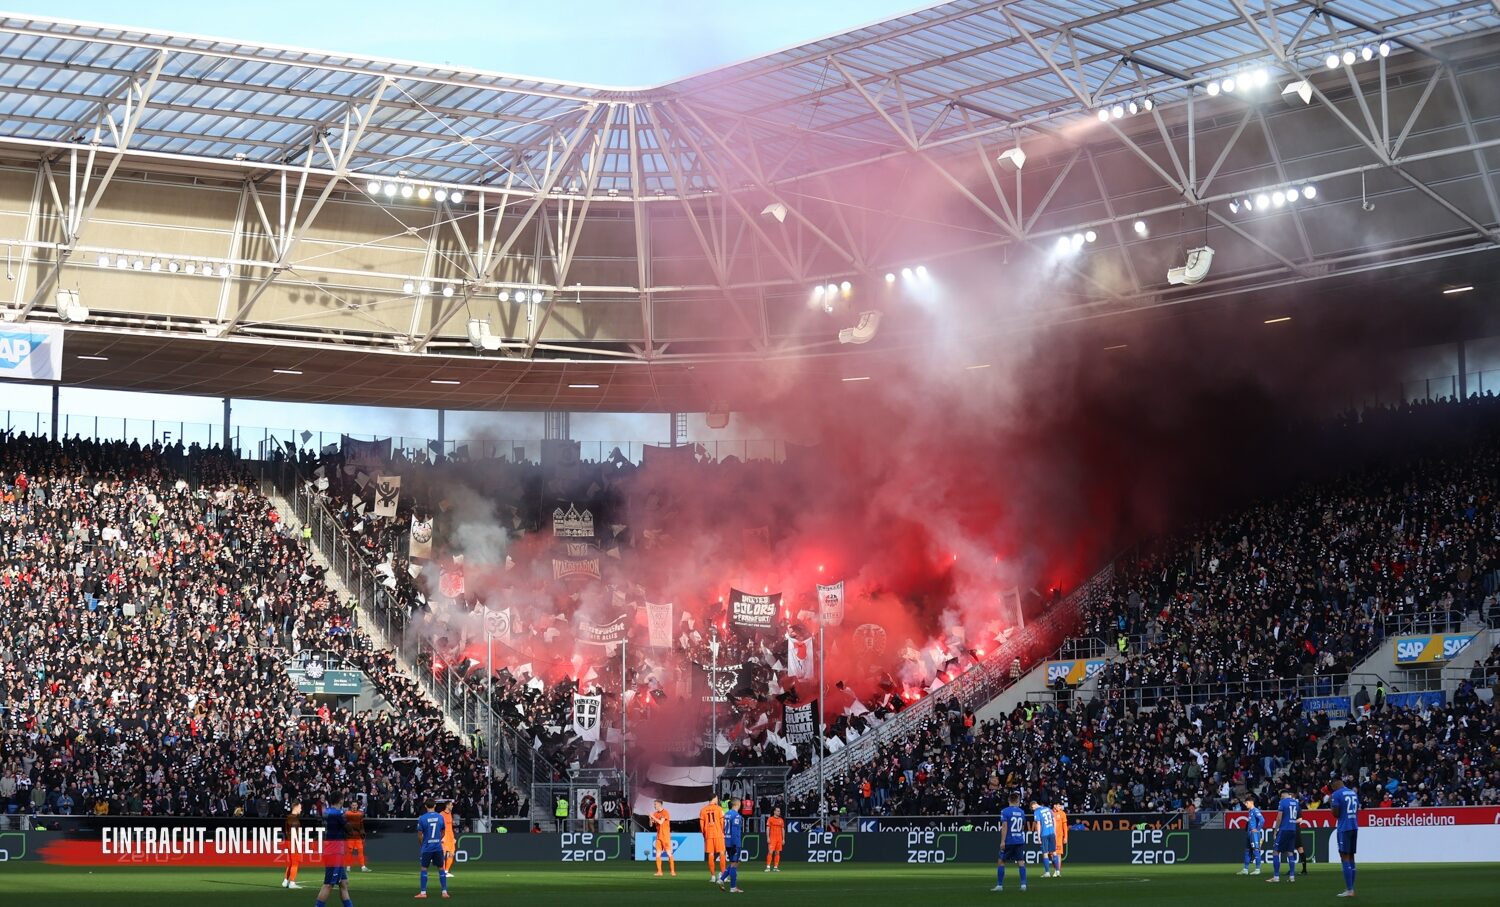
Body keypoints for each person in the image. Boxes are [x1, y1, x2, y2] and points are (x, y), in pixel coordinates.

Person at [314, 793, 353, 907]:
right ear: (340, 800)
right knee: (328, 884)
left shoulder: (327, 812)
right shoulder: (339, 813)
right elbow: (349, 829)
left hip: (331, 850)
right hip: (335, 852)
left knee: (343, 883)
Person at [1329, 778, 1359, 898]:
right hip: (1354, 826)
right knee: (1351, 857)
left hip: (1344, 828)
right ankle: (1351, 887)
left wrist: (1332, 807)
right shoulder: (1353, 793)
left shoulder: (1336, 794)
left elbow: (1336, 814)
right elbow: (1357, 809)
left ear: (1335, 785)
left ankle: (1349, 889)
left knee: (1344, 857)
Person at [415, 799, 449, 899]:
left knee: (424, 868)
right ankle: (444, 892)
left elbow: (419, 835)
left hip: (427, 847)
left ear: (425, 806)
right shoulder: (440, 817)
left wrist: (423, 844)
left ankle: (423, 892)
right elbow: (443, 831)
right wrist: (438, 839)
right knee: (441, 868)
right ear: (435, 805)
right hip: (437, 846)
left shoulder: (422, 818)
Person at [993, 793, 1028, 892]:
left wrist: (1002, 841)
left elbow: (1004, 826)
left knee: (1001, 861)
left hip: (1009, 840)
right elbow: (1022, 827)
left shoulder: (1005, 811)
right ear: (1017, 801)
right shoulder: (1022, 812)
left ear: (1009, 800)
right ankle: (1023, 885)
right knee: (1021, 861)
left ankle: (1000, 885)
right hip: (1019, 840)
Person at [1268, 790, 1299, 883]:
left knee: (1276, 851)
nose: (1280, 798)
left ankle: (1276, 877)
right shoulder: (1296, 803)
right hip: (1293, 829)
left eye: (1281, 796)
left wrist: (1275, 830)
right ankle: (1292, 876)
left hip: (1284, 829)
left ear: (1283, 795)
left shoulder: (1282, 802)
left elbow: (1279, 817)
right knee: (1290, 852)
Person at [717, 797, 744, 893]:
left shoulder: (726, 814)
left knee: (736, 862)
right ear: (737, 804)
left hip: (727, 841)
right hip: (734, 842)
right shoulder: (736, 816)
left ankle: (721, 879)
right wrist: (737, 843)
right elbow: (735, 831)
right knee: (734, 864)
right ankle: (733, 887)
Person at [699, 797, 726, 882]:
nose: (717, 800)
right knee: (722, 853)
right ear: (714, 799)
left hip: (709, 834)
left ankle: (713, 876)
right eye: (716, 798)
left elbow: (701, 824)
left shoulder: (703, 810)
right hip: (718, 833)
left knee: (711, 854)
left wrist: (704, 834)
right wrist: (722, 831)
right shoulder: (719, 809)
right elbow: (722, 822)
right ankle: (723, 876)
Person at [1030, 798, 1057, 879]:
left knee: (1045, 853)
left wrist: (1038, 836)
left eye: (1032, 808)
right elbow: (1054, 820)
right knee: (1054, 852)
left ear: (1033, 805)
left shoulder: (1037, 811)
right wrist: (1054, 830)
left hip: (1044, 834)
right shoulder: (1048, 808)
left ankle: (1047, 872)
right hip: (1051, 832)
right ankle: (1057, 871)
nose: (1032, 809)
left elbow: (1038, 824)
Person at [1238, 797, 1264, 875]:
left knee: (1256, 850)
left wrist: (1257, 829)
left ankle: (1257, 869)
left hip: (1254, 834)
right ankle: (1245, 869)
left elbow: (1262, 820)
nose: (1246, 805)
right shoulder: (1250, 811)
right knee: (1247, 851)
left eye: (1247, 803)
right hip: (1249, 834)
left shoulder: (1255, 810)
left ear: (1251, 802)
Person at [650, 799, 676, 877]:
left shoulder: (665, 812)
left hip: (665, 836)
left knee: (668, 853)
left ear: (659, 804)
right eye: (654, 804)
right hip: (658, 836)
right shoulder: (655, 814)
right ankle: (659, 871)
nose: (654, 806)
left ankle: (672, 871)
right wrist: (650, 819)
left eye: (655, 804)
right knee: (658, 854)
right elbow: (651, 825)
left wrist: (652, 817)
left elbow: (661, 822)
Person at [283, 800, 304, 890]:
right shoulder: (293, 818)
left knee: (292, 862)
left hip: (290, 841)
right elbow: (293, 832)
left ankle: (285, 881)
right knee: (295, 862)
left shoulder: (290, 817)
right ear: (296, 807)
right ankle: (292, 882)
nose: (301, 809)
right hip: (293, 842)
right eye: (300, 807)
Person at [346, 799, 369, 873]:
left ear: (357, 806)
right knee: (350, 852)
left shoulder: (360, 814)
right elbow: (344, 824)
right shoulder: (347, 813)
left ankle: (363, 867)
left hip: (358, 836)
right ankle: (348, 867)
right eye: (353, 805)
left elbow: (362, 825)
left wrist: (363, 834)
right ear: (351, 806)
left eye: (355, 805)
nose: (354, 806)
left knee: (360, 851)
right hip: (350, 836)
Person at [765, 806, 784, 873]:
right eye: (778, 811)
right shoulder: (770, 819)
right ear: (774, 811)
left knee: (777, 852)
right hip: (772, 837)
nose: (779, 812)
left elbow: (782, 830)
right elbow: (767, 829)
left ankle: (775, 867)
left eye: (779, 811)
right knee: (770, 852)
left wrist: (783, 839)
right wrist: (768, 837)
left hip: (779, 838)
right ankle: (768, 867)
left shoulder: (781, 820)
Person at [441, 802, 457, 877]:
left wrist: (453, 837)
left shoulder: (450, 814)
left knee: (451, 854)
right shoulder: (441, 814)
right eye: (451, 805)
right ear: (447, 806)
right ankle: (443, 872)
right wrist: (442, 837)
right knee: (443, 854)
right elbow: (439, 827)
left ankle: (446, 871)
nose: (452, 806)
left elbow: (450, 827)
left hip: (450, 837)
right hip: (444, 836)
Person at [1051, 800, 1068, 872]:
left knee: (1058, 854)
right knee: (1052, 855)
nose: (1060, 807)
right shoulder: (1050, 813)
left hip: (1059, 836)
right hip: (1051, 836)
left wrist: (1065, 837)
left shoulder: (1062, 814)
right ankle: (1056, 869)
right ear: (1054, 806)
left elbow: (1065, 826)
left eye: (1060, 806)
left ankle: (1058, 871)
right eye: (1059, 806)